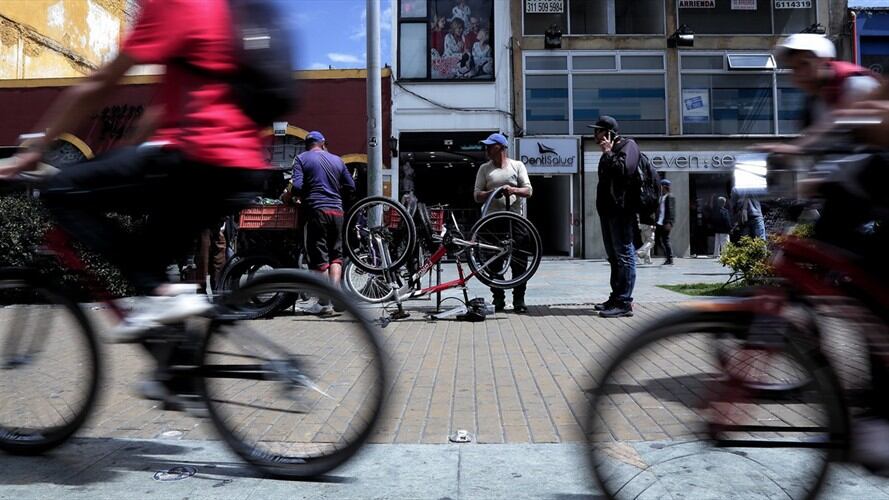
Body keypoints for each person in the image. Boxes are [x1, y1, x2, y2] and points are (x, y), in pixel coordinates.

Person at [0, 0, 272, 340]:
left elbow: (101, 84)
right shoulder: (223, 12)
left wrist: (37, 148)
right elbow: (159, 111)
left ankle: (155, 292)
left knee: (62, 190)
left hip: (197, 160)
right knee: (152, 260)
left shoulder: (174, 4)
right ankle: (180, 375)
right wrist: (122, 160)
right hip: (243, 166)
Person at [288, 131, 355, 316]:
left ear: (307, 144)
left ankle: (325, 303)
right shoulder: (338, 160)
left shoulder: (302, 159)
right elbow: (351, 186)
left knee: (319, 258)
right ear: (323, 143)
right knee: (336, 256)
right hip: (337, 212)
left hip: (316, 211)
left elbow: (298, 186)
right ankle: (336, 297)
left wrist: (296, 196)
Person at [473, 133, 533, 314]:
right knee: (493, 262)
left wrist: (512, 189)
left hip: (515, 219)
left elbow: (528, 190)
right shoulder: (484, 169)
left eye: (490, 146)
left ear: (500, 147)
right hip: (492, 222)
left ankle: (519, 299)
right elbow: (476, 195)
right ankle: (498, 298)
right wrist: (493, 192)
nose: (487, 149)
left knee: (520, 261)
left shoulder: (517, 166)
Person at [590, 116, 638, 318]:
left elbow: (623, 171)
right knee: (614, 257)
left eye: (598, 131)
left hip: (622, 211)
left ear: (608, 132)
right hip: (608, 212)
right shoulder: (608, 152)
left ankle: (624, 302)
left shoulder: (629, 146)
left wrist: (608, 151)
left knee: (625, 255)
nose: (595, 135)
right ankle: (616, 297)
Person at [655, 179, 676, 265]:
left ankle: (670, 259)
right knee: (657, 240)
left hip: (666, 222)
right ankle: (667, 256)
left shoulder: (670, 197)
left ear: (664, 187)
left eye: (661, 186)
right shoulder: (661, 197)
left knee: (665, 240)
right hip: (659, 222)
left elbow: (671, 211)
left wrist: (670, 222)